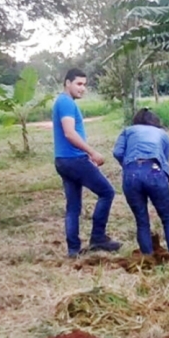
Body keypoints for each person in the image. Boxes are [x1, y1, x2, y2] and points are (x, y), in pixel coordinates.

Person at [52, 68, 122, 257]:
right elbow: (69, 132)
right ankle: (98, 238)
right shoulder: (66, 102)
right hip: (74, 160)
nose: (83, 88)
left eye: (85, 84)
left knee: (73, 206)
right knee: (107, 192)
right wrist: (91, 152)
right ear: (67, 83)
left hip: (62, 160)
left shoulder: (62, 101)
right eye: (79, 84)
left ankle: (73, 249)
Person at [113, 108, 169, 256]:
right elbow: (165, 159)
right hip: (155, 172)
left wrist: (128, 165)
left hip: (131, 175)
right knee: (168, 218)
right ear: (155, 121)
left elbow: (117, 152)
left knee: (141, 220)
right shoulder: (162, 134)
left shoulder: (128, 131)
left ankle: (147, 256)